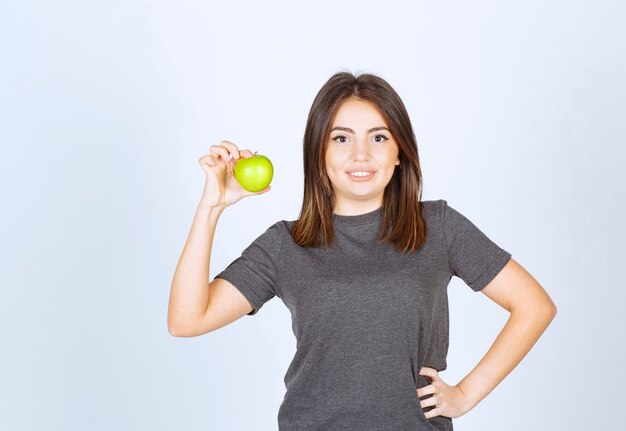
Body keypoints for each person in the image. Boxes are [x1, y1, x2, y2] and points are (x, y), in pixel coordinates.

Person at [167, 71, 557, 431]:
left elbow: (534, 305)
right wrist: (211, 207)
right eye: (341, 138)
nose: (360, 155)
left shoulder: (437, 226)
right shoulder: (286, 244)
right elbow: (186, 320)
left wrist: (466, 395)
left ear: (399, 152)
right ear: (319, 153)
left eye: (378, 137)